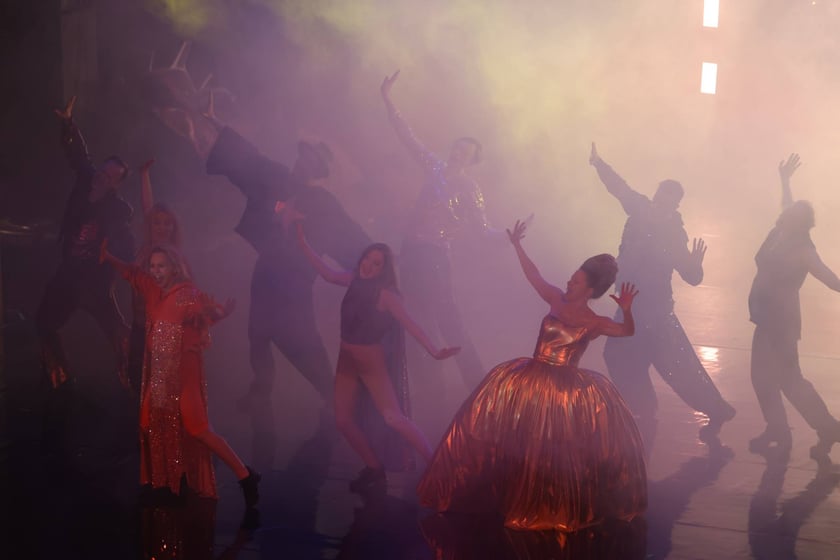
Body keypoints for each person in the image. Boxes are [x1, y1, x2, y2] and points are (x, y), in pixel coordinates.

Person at [417, 219, 647, 531]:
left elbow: (626, 331)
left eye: (576, 281)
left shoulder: (594, 321)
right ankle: (504, 491)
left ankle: (544, 502)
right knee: (516, 440)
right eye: (571, 278)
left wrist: (628, 310)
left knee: (549, 448)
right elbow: (534, 276)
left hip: (562, 389)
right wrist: (517, 245)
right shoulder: (555, 298)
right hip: (531, 378)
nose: (569, 283)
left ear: (590, 290)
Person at [295, 222, 460, 492]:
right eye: (367, 259)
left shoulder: (386, 295)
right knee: (342, 421)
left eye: (376, 264)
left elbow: (411, 324)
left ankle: (437, 467)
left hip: (371, 364)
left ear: (384, 270)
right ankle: (374, 468)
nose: (368, 266)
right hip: (347, 360)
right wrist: (303, 244)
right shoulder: (353, 279)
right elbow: (327, 274)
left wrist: (434, 351)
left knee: (393, 418)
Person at [588, 143, 735, 443]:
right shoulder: (640, 208)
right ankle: (646, 408)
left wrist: (696, 264)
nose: (659, 205)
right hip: (629, 304)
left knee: (676, 367)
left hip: (654, 311)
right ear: (654, 197)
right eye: (658, 198)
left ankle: (711, 409)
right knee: (619, 356)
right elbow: (618, 187)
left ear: (674, 206)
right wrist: (599, 163)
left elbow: (691, 277)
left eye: (666, 203)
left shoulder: (673, 235)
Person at [100, 241, 260, 506]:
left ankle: (245, 476)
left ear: (174, 268)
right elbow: (132, 273)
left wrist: (218, 313)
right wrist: (107, 256)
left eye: (161, 266)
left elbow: (204, 314)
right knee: (147, 423)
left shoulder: (186, 294)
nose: (156, 271)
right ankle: (164, 482)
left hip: (184, 373)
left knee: (198, 429)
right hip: (161, 374)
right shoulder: (153, 290)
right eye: (153, 266)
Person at [380, 70, 500, 393]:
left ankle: (478, 384)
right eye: (457, 147)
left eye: (465, 151)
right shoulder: (434, 167)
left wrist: (509, 238)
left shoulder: (469, 188)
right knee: (415, 317)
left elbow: (483, 230)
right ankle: (431, 387)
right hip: (411, 251)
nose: (457, 152)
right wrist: (388, 100)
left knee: (449, 319)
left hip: (435, 256)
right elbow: (408, 137)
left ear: (472, 160)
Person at [36, 95, 134, 390]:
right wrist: (69, 123)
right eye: (103, 171)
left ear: (116, 185)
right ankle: (61, 378)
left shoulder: (118, 210)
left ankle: (132, 378)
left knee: (118, 333)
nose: (102, 177)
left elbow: (125, 243)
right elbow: (78, 154)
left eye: (110, 177)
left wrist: (123, 270)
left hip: (96, 282)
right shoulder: (85, 179)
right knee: (44, 322)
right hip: (68, 275)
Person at [747, 153, 840, 461]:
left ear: (798, 223)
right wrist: (785, 180)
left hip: (781, 323)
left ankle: (825, 428)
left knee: (787, 380)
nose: (784, 214)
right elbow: (786, 204)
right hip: (766, 318)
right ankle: (784, 429)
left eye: (790, 215)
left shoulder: (803, 249)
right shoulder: (780, 232)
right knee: (767, 378)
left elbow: (827, 277)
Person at [126, 158, 186, 394]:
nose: (162, 227)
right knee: (137, 382)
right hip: (139, 326)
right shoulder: (147, 247)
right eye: (158, 223)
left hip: (160, 331)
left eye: (167, 224)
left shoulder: (172, 256)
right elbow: (147, 209)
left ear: (174, 228)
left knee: (158, 390)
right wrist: (144, 175)